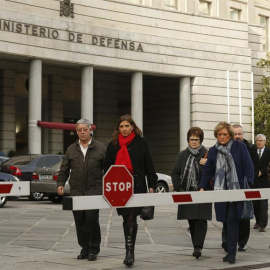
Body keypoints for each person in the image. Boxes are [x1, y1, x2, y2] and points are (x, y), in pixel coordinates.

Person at [104, 114, 157, 267]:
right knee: (126, 217)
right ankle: (129, 250)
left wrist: (152, 185)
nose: (125, 129)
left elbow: (149, 164)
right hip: (119, 188)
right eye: (122, 126)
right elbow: (107, 167)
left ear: (132, 127)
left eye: (127, 126)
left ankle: (129, 253)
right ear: (118, 128)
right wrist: (107, 186)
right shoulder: (113, 145)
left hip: (138, 187)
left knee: (132, 217)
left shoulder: (142, 142)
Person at [199, 122, 254, 264]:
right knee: (226, 221)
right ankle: (230, 249)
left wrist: (248, 184)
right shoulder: (213, 150)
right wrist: (202, 186)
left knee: (232, 220)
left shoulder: (239, 146)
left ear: (229, 135)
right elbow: (208, 170)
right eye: (219, 134)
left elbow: (248, 165)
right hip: (221, 191)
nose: (222, 137)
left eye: (224, 134)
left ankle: (231, 253)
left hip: (237, 190)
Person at [57, 119, 106, 261]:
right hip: (76, 190)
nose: (82, 132)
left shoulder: (101, 148)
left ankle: (94, 249)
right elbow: (64, 169)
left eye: (85, 129)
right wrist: (60, 183)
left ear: (90, 130)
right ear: (76, 132)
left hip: (94, 189)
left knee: (91, 218)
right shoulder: (71, 149)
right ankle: (84, 248)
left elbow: (109, 169)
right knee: (79, 220)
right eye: (80, 130)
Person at [171, 127, 212, 259]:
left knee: (201, 220)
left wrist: (208, 163)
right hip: (187, 192)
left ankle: (198, 246)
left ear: (201, 140)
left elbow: (216, 170)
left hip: (202, 191)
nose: (194, 142)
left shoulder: (207, 153)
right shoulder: (182, 155)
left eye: (196, 140)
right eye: (191, 139)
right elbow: (175, 172)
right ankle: (196, 245)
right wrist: (179, 188)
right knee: (192, 221)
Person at [221, 124, 259, 252]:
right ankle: (227, 241)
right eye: (235, 134)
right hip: (228, 186)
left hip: (244, 186)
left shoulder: (250, 148)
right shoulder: (227, 147)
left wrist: (249, 183)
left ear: (243, 135)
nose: (237, 136)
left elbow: (253, 166)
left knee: (243, 216)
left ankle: (242, 242)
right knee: (228, 215)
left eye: (239, 134)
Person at [253, 134, 270, 232]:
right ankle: (258, 221)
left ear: (265, 141)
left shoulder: (268, 152)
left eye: (261, 140)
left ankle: (263, 225)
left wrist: (262, 171)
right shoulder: (253, 152)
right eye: (257, 140)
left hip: (265, 181)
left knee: (263, 204)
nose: (259, 142)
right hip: (254, 181)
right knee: (255, 203)